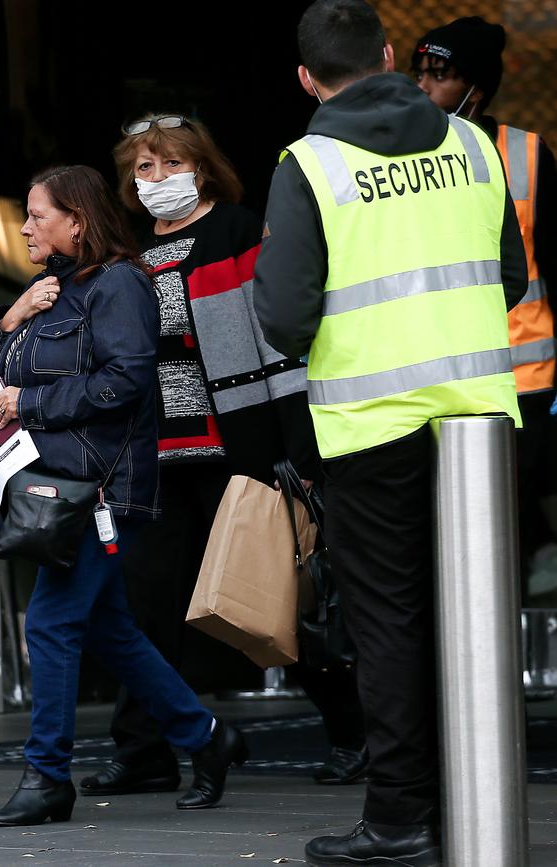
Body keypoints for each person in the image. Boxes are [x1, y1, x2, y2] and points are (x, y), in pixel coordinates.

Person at [253, 1, 528, 864]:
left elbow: (285, 319)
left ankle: (402, 818)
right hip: (478, 418)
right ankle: (476, 797)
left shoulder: (310, 164)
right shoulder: (473, 144)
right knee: (473, 611)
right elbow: (512, 279)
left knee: (390, 624)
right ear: (385, 54)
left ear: (306, 77)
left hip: (372, 427)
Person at [78, 114, 368, 800]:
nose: (156, 180)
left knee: (267, 597)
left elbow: (281, 338)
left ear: (200, 168)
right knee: (146, 604)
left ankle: (354, 730)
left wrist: (293, 447)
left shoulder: (238, 230)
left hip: (240, 448)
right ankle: (145, 749)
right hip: (159, 457)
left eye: (169, 164)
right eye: (143, 169)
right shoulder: (133, 256)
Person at [0, 165, 248, 826]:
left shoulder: (122, 284)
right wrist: (11, 315)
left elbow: (126, 381)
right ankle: (207, 737)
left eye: (37, 214)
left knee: (48, 622)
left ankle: (47, 775)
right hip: (63, 482)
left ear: (76, 219)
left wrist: (31, 401)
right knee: (109, 629)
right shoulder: (54, 289)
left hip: (99, 488)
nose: (24, 226)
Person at [411, 16, 557, 602]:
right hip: (440, 375)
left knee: (512, 515)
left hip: (523, 374)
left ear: (477, 87)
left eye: (440, 75)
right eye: (417, 72)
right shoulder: (402, 155)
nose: (423, 87)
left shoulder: (524, 152)